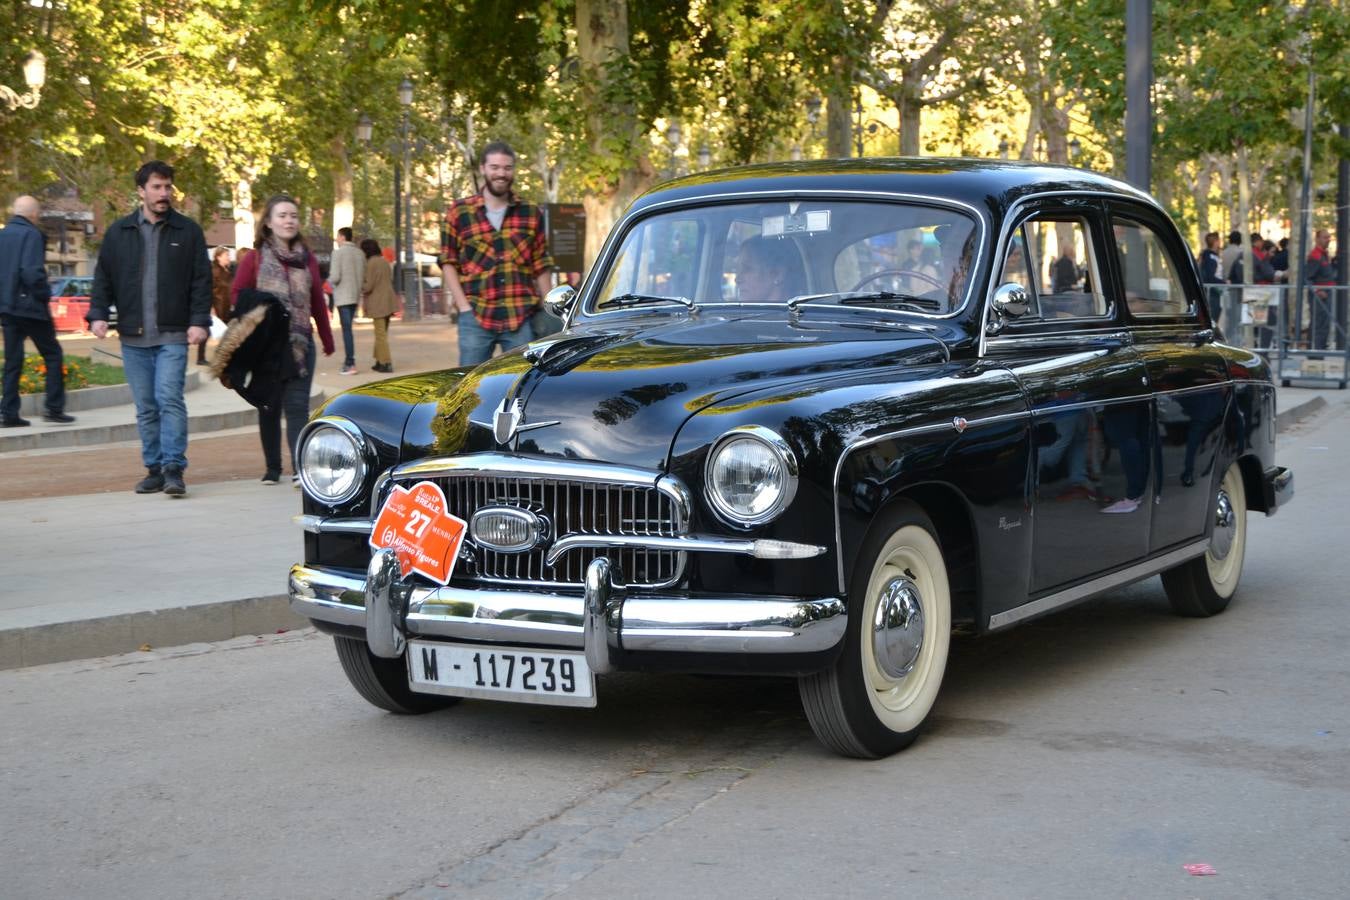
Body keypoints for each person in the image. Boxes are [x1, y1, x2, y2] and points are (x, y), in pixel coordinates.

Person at [88, 161, 211, 497]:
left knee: (169, 397)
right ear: (140, 191)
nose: (163, 193)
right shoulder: (119, 232)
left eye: (167, 187)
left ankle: (174, 468)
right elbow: (104, 279)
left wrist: (200, 321)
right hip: (133, 336)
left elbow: (202, 281)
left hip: (173, 333)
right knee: (145, 406)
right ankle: (154, 469)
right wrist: (98, 314)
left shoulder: (188, 232)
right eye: (156, 187)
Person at [230, 195, 334, 484]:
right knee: (269, 404)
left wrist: (327, 338)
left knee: (298, 405)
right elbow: (237, 295)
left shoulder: (307, 259)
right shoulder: (255, 259)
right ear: (268, 222)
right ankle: (272, 468)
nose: (289, 220)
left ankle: (301, 469)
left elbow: (316, 301)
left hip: (300, 343)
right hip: (266, 344)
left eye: (293, 216)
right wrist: (262, 310)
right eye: (282, 215)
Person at [442, 140, 554, 366]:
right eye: (495, 167)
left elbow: (541, 263)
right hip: (475, 315)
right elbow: (448, 262)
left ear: (513, 170)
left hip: (521, 316)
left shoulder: (531, 212)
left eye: (507, 168)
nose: (501, 173)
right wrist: (463, 306)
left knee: (523, 385)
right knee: (469, 388)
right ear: (483, 169)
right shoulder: (459, 212)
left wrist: (551, 308)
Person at [1, 195, 74, 427]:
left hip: (7, 307)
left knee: (13, 361)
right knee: (52, 354)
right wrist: (45, 292)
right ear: (33, 214)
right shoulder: (31, 234)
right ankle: (54, 408)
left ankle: (8, 413)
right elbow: (31, 272)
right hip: (30, 307)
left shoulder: (2, 235)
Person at [329, 226, 364, 375]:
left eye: (337, 237)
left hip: (343, 296)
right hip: (355, 295)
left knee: (347, 331)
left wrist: (328, 282)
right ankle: (350, 362)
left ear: (342, 237)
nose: (336, 240)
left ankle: (350, 363)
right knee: (348, 329)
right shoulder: (360, 253)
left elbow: (335, 276)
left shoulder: (338, 253)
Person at [360, 238, 396, 373]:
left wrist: (360, 285)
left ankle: (386, 362)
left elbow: (368, 286)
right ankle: (379, 360)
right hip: (388, 300)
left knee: (380, 334)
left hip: (378, 302)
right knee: (382, 333)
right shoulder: (384, 262)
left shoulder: (371, 263)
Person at [736, 236, 804, 301]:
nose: (737, 279)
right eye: (737, 269)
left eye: (747, 268)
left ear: (777, 274)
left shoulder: (802, 312)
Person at [200, 245, 233, 365]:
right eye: (226, 255)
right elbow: (209, 289)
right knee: (209, 331)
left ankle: (222, 358)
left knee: (224, 333)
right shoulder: (215, 271)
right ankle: (201, 357)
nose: (229, 257)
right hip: (217, 305)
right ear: (218, 257)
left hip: (226, 305)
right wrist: (211, 307)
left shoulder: (227, 271)